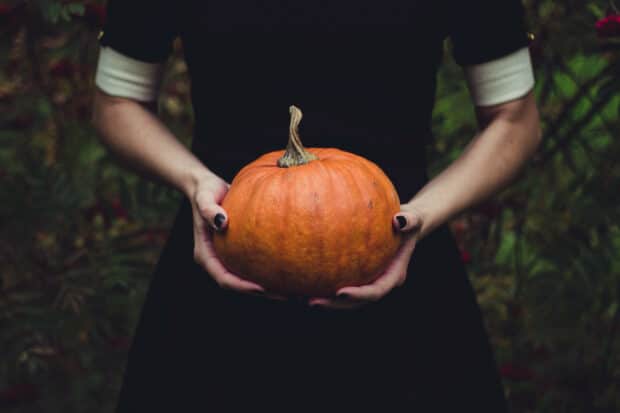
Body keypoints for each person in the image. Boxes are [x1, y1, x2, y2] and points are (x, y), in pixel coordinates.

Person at [92, 0, 542, 411]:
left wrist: (421, 215)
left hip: (399, 261)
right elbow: (117, 102)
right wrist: (195, 183)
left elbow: (515, 119)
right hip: (224, 252)